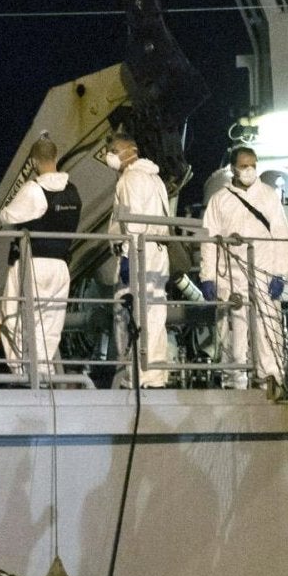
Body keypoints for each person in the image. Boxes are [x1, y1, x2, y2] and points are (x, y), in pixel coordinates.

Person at [199, 146, 288, 391]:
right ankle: (234, 383)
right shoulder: (220, 200)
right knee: (233, 333)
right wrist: (208, 276)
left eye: (253, 164)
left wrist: (280, 273)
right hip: (231, 277)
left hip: (264, 273)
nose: (249, 170)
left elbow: (281, 235)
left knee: (268, 330)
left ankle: (271, 381)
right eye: (244, 166)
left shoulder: (268, 196)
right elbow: (209, 241)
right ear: (232, 168)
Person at [0, 136, 82, 381]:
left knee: (14, 317)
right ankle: (44, 374)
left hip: (32, 263)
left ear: (33, 161)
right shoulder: (73, 192)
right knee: (51, 323)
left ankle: (23, 374)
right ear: (56, 158)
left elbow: (7, 217)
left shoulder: (34, 189)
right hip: (61, 267)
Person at [105, 125, 173, 387]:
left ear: (130, 152)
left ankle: (134, 375)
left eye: (114, 151)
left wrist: (125, 257)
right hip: (156, 253)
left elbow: (133, 221)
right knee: (154, 313)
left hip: (136, 253)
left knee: (128, 315)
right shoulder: (154, 179)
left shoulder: (130, 179)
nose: (110, 157)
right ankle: (154, 374)